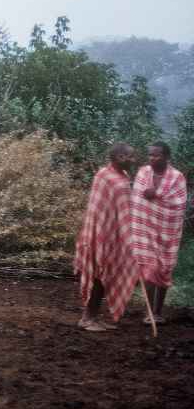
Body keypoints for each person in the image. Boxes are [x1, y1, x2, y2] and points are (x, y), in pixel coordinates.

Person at [74, 142, 140, 332]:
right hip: (100, 233)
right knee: (98, 275)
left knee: (105, 275)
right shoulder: (105, 176)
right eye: (131, 156)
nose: (134, 160)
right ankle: (87, 319)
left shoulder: (122, 176)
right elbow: (98, 208)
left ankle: (94, 316)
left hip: (113, 234)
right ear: (120, 157)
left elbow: (123, 211)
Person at [131, 141, 187, 325]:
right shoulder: (143, 173)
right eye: (150, 155)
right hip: (145, 230)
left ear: (167, 157)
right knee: (150, 267)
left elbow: (179, 203)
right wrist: (149, 195)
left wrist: (156, 194)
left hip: (167, 231)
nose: (152, 158)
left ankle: (158, 312)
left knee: (163, 269)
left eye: (157, 155)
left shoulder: (177, 177)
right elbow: (137, 200)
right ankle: (149, 313)